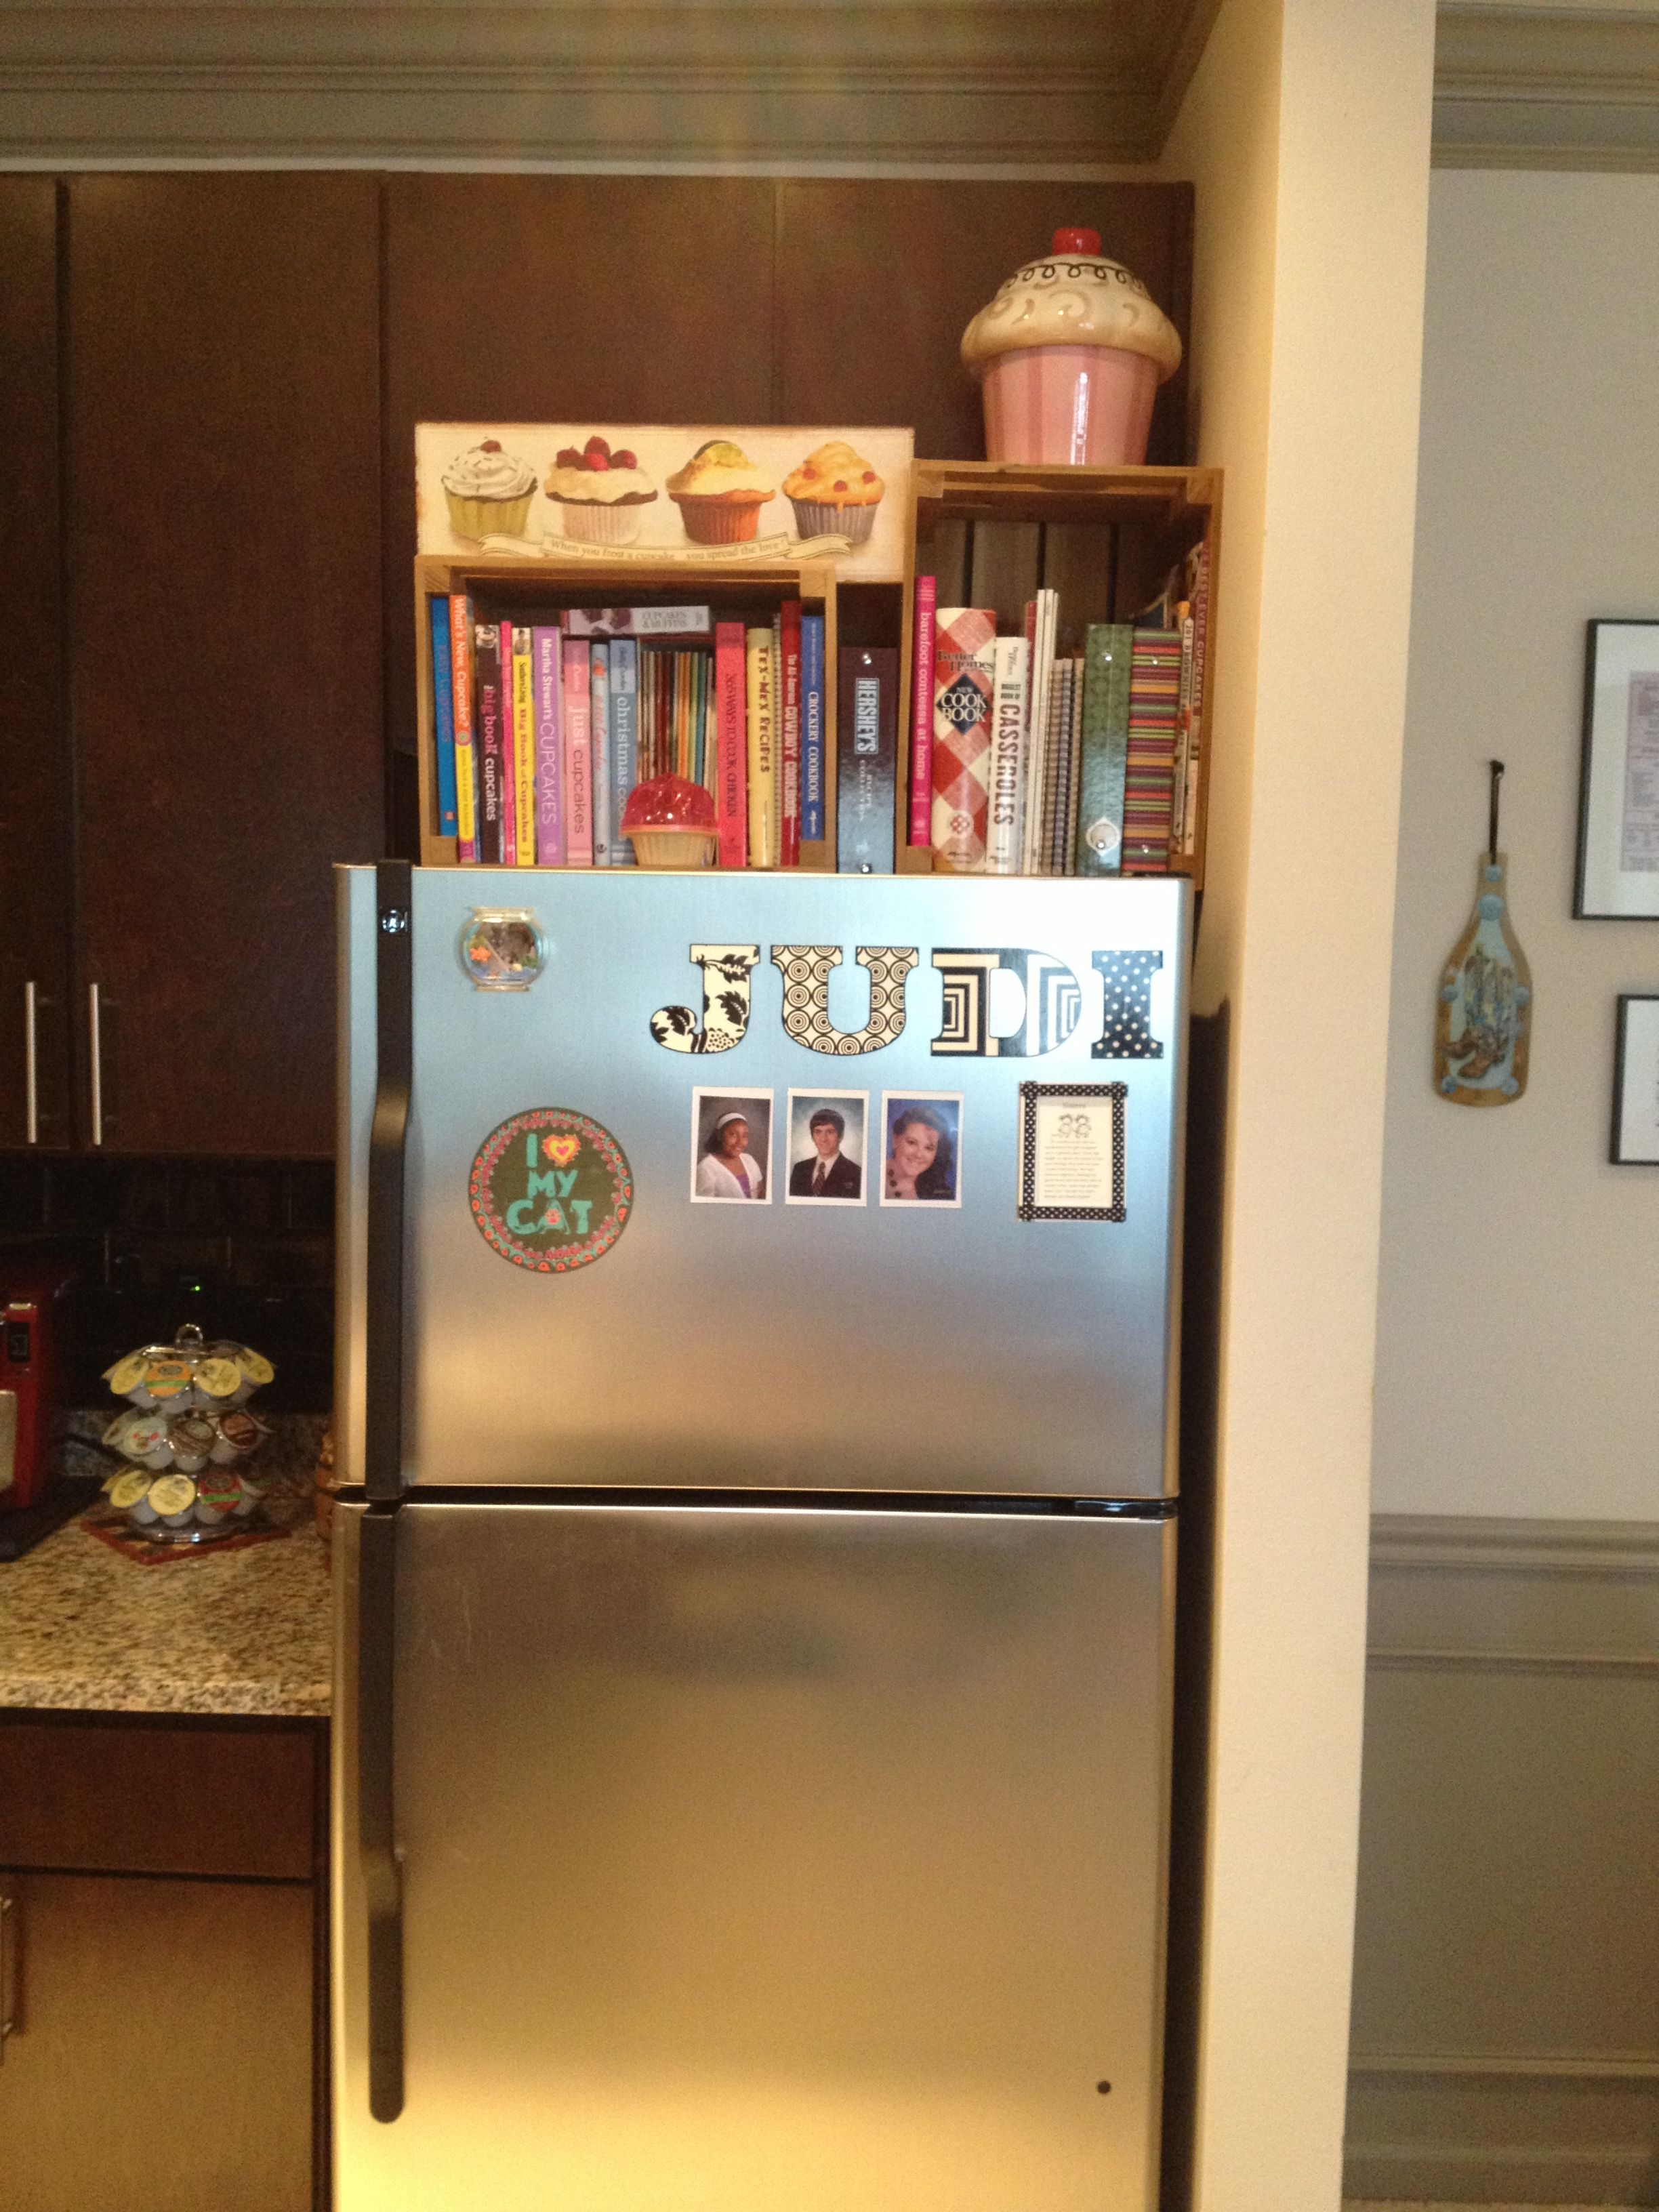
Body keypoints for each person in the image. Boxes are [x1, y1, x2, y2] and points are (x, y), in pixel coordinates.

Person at [884, 1103, 955, 1201]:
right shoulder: (867, 1174)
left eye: (929, 1148)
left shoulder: (938, 1196)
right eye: (912, 1142)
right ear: (895, 1140)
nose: (919, 1154)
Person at [788, 1105, 861, 1200]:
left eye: (830, 1132)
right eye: (818, 1132)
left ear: (841, 1136)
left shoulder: (855, 1173)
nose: (823, 1139)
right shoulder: (799, 1169)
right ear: (812, 1137)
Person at [695, 1109, 765, 1200]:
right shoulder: (706, 1168)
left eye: (745, 1136)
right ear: (719, 1135)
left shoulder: (749, 1160)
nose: (740, 1142)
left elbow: (761, 1193)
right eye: (733, 1135)